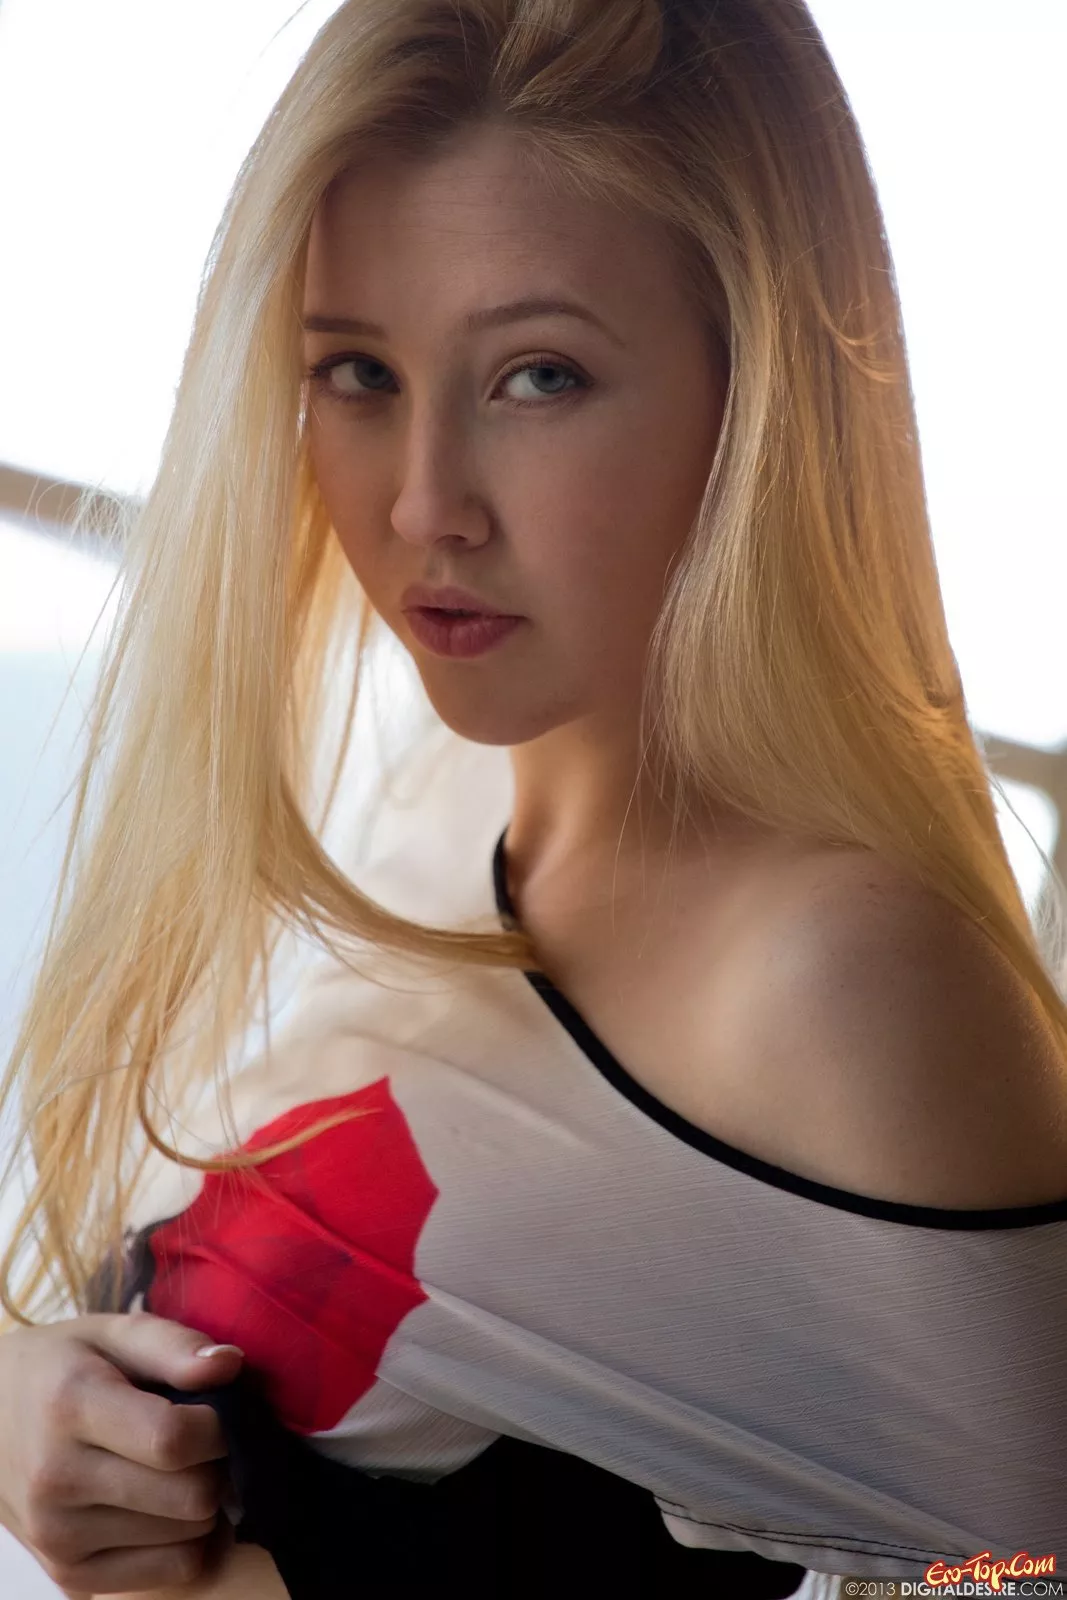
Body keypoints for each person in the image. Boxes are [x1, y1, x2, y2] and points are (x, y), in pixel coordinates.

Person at [2, 0, 1067, 1596]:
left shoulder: (835, 971)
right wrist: (41, 1408)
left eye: (537, 375)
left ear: (757, 393)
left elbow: (1021, 1560)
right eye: (357, 371)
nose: (423, 503)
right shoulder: (439, 801)